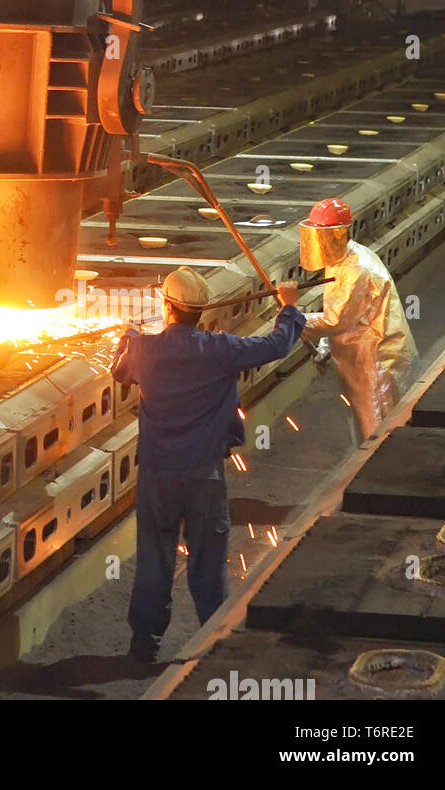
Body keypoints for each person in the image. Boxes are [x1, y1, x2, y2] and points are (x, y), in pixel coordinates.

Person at [112, 266, 305, 664]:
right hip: (204, 474)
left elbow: (119, 371)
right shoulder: (221, 350)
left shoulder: (144, 350)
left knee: (154, 561)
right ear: (200, 312)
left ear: (167, 307)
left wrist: (128, 336)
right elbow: (276, 345)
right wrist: (288, 308)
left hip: (157, 476)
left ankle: (144, 645)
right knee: (208, 562)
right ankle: (216, 643)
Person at [298, 198, 418, 444]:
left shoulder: (357, 268)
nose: (319, 244)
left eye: (323, 237)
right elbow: (339, 309)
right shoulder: (340, 258)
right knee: (364, 424)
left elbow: (336, 321)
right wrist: (325, 346)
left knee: (379, 430)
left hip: (376, 359)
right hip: (358, 356)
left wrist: (293, 321)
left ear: (339, 234)